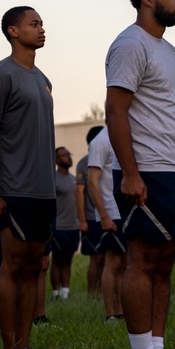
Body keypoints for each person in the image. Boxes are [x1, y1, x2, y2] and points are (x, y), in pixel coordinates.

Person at [106, 0, 175, 349]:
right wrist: (130, 173)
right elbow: (115, 111)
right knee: (141, 261)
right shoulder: (130, 44)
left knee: (164, 263)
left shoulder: (170, 51)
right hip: (146, 169)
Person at [0, 5, 56, 349]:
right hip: (13, 190)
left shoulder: (41, 78)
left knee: (34, 267)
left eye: (41, 23)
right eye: (33, 23)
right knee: (12, 265)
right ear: (12, 31)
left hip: (43, 190)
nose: (41, 29)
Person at [87, 126, 127, 323]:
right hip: (110, 212)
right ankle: (110, 313)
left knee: (125, 263)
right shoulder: (100, 141)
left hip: (125, 210)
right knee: (112, 263)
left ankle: (120, 310)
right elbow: (92, 181)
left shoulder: (124, 135)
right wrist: (103, 215)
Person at [76, 125, 106, 297]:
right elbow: (79, 192)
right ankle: (91, 295)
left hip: (109, 216)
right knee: (96, 258)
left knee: (108, 258)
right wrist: (82, 220)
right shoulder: (84, 163)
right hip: (91, 218)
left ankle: (104, 292)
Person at [50, 147, 79, 301]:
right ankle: (56, 293)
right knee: (57, 260)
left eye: (69, 154)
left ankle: (66, 293)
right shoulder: (52, 179)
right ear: (56, 160)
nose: (68, 157)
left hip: (73, 227)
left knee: (68, 260)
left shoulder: (73, 179)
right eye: (64, 155)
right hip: (59, 227)